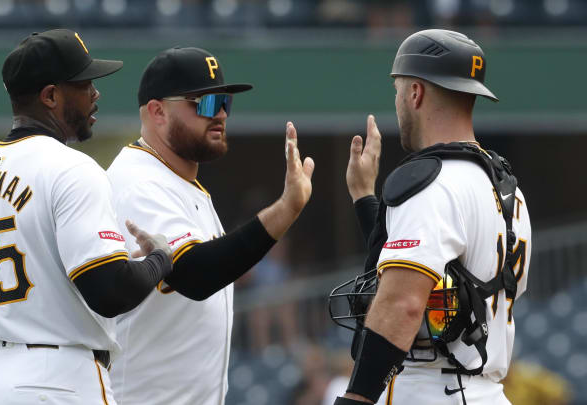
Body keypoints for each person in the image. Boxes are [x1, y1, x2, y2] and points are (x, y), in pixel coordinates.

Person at [0, 29, 173, 405]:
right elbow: (109, 291)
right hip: (59, 380)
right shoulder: (71, 169)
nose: (95, 94)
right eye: (85, 84)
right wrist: (160, 259)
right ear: (51, 96)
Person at [106, 46, 315, 405]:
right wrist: (286, 209)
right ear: (157, 111)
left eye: (224, 103)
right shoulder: (139, 182)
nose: (219, 113)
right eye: (202, 102)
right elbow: (195, 274)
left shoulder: (182, 186)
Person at [333, 29, 532, 405]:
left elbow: (403, 303)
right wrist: (364, 198)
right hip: (484, 390)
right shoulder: (509, 190)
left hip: (433, 389)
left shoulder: (430, 181)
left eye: (398, 90)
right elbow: (438, 271)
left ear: (415, 93)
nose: (397, 101)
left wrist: (355, 398)